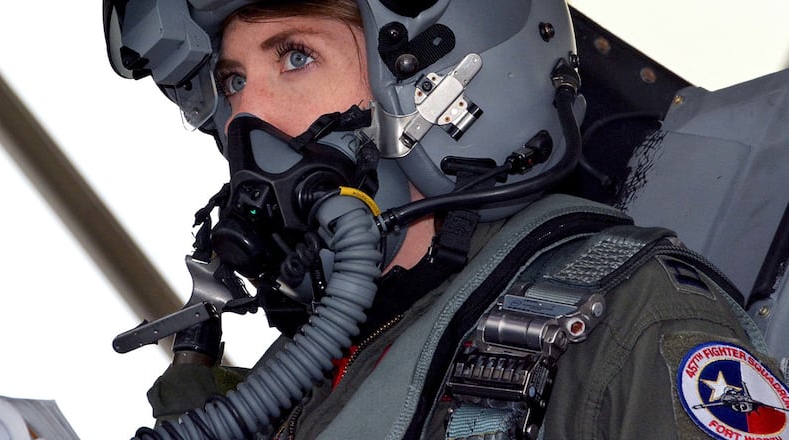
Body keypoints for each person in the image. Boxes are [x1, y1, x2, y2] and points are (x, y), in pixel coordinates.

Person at [103, 1, 789, 439]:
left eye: (295, 55)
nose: (247, 118)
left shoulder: (623, 316)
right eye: (231, 82)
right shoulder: (310, 378)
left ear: (442, 83)